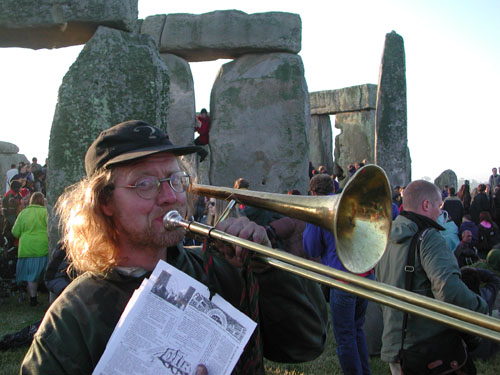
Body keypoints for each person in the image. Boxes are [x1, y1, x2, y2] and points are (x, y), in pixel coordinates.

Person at [21, 120, 328, 375]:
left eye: (175, 179)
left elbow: (305, 344)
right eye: (144, 183)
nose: (170, 197)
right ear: (104, 202)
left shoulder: (221, 270)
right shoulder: (73, 316)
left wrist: (265, 270)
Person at [375, 180, 487, 375]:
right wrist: (481, 308)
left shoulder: (386, 240)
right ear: (426, 205)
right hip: (427, 349)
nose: (440, 212)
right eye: (439, 206)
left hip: (396, 345)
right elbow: (449, 291)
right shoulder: (429, 238)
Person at [303, 173, 373, 375]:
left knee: (345, 335)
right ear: (333, 189)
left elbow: (311, 248)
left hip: (343, 280)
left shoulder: (319, 211)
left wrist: (310, 221)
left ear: (314, 192)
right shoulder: (351, 205)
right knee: (357, 328)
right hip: (364, 275)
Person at [12, 192, 48, 306]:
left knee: (30, 276)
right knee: (43, 274)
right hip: (42, 247)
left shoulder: (23, 213)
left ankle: (33, 298)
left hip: (26, 248)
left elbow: (15, 232)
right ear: (43, 201)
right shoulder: (45, 212)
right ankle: (49, 297)